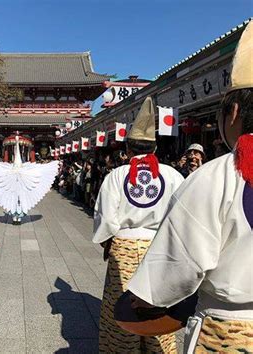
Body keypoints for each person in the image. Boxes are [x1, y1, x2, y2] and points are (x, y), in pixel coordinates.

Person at [128, 21, 253, 353]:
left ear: (234, 111)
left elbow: (180, 263)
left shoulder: (217, 176)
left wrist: (146, 296)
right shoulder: (179, 175)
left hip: (230, 332)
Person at [92, 96, 184, 353]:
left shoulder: (116, 176)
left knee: (122, 307)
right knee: (158, 306)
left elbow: (106, 219)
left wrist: (107, 242)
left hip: (124, 247)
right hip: (160, 247)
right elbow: (182, 217)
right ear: (154, 148)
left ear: (128, 149)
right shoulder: (173, 176)